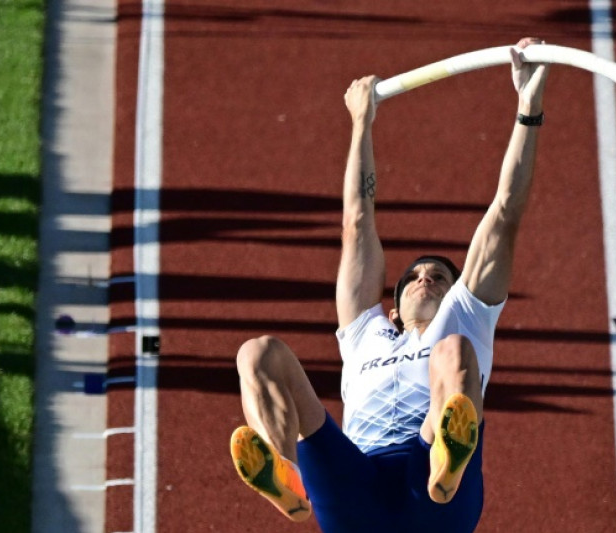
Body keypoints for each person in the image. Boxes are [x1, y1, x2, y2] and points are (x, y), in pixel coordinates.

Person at [229, 37, 550, 533]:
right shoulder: (364, 334)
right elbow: (357, 221)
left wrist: (527, 108)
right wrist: (362, 122)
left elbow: (506, 211)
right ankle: (284, 475)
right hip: (354, 485)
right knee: (258, 353)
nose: (426, 277)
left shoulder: (465, 316)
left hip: (432, 490)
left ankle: (447, 460)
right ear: (392, 308)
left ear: (456, 291)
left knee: (453, 351)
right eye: (415, 276)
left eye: (440, 276)